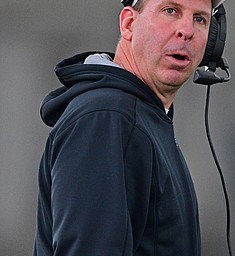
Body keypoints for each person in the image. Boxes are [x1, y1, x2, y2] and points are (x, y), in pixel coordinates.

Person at [33, 0, 223, 255]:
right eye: (170, 11)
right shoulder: (106, 118)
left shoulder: (141, 117)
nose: (186, 30)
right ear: (129, 24)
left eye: (200, 19)